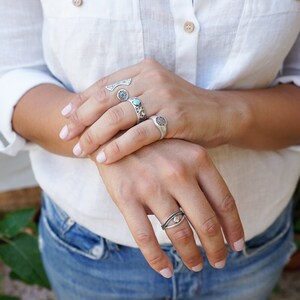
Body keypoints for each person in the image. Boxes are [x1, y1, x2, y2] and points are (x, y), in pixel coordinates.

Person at [0, 1, 299, 299]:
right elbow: (11, 73)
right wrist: (115, 139)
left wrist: (224, 113)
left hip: (251, 242)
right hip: (90, 242)